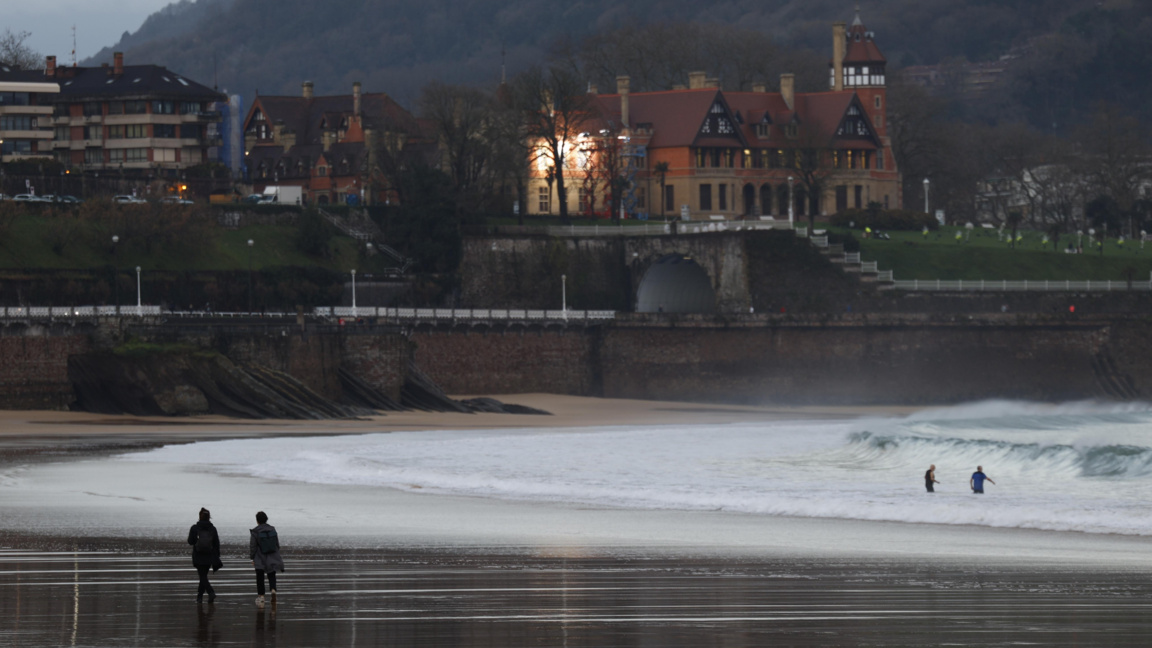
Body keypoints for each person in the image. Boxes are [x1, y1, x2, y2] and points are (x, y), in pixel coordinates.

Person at [250, 511, 285, 607]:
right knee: (271, 573)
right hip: (272, 554)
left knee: (260, 576)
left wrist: (252, 557)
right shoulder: (272, 529)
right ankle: (273, 589)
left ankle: (261, 597)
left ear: (257, 521)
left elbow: (253, 546)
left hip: (259, 556)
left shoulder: (255, 531)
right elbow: (277, 544)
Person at [188, 507, 221, 602]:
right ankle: (199, 597)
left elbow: (190, 541)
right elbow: (216, 543)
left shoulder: (194, 528)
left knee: (202, 576)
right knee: (203, 576)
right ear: (209, 517)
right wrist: (217, 557)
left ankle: (210, 592)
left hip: (198, 556)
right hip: (209, 556)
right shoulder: (213, 529)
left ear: (200, 516)